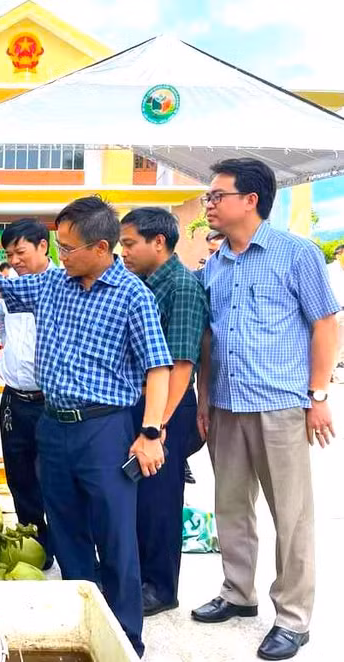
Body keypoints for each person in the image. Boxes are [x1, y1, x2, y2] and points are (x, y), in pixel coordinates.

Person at [0, 197, 173, 657]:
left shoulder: (133, 295)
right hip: (54, 428)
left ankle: (125, 638)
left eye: (68, 247)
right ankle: (80, 619)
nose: (60, 254)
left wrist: (151, 431)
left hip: (105, 430)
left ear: (100, 247)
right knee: (65, 528)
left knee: (115, 536)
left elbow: (159, 367)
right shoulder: (54, 283)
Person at [192, 158, 339, 661]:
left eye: (217, 195)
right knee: (231, 507)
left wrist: (317, 396)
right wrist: (204, 397)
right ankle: (238, 593)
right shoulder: (216, 264)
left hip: (280, 405)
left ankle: (294, 619)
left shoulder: (295, 254)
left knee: (291, 517)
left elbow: (325, 325)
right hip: (227, 406)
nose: (209, 204)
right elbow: (209, 338)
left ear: (250, 200)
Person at [119, 208, 209, 617]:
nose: (124, 252)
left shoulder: (181, 287)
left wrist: (156, 426)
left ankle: (161, 586)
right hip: (140, 402)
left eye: (130, 243)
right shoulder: (139, 283)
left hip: (166, 407)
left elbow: (182, 364)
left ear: (159, 242)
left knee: (159, 501)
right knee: (136, 497)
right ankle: (137, 577)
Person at [0, 219, 54, 568]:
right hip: (13, 398)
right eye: (9, 254)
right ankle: (35, 545)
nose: (15, 260)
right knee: (19, 475)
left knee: (54, 478)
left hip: (49, 401)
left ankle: (65, 545)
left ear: (43, 246)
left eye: (21, 251)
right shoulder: (10, 288)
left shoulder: (62, 286)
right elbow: (5, 329)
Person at [325, 244, 344, 381]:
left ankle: (335, 370)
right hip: (333, 311)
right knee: (329, 342)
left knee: (341, 344)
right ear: (338, 254)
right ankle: (326, 372)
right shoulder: (329, 270)